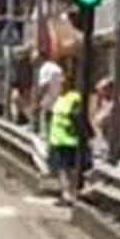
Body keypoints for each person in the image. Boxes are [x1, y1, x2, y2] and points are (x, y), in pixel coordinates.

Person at [48, 78, 88, 206]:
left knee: (69, 169)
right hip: (57, 139)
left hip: (69, 139)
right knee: (61, 169)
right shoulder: (58, 98)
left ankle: (70, 194)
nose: (59, 86)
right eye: (58, 84)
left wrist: (82, 134)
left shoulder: (73, 97)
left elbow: (76, 116)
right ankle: (66, 194)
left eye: (62, 84)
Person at [36, 53, 64, 138]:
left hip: (48, 97)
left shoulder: (44, 68)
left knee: (44, 115)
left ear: (41, 59)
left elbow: (44, 85)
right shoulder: (57, 68)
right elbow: (63, 82)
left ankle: (44, 136)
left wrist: (39, 98)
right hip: (58, 97)